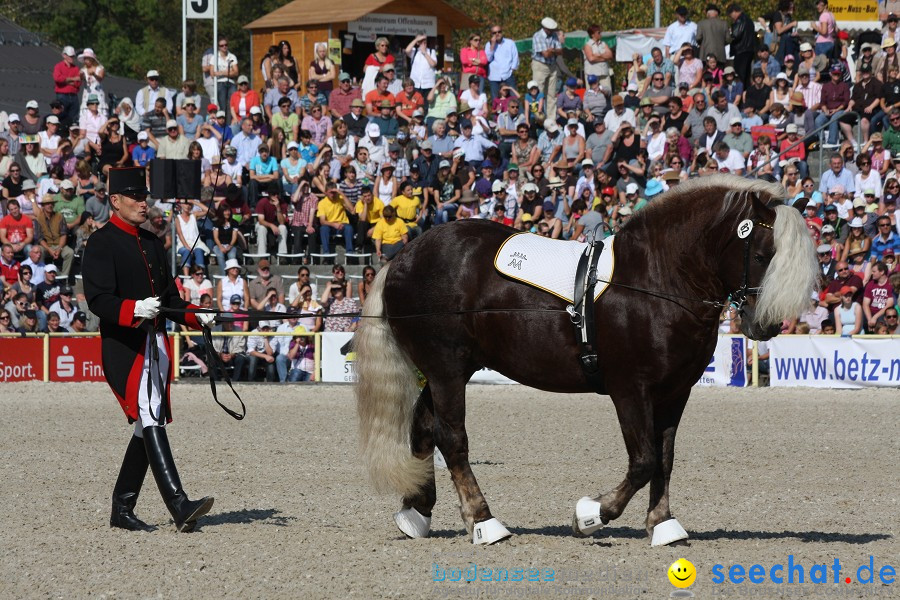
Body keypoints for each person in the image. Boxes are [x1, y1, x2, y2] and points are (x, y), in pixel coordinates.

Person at [83, 166, 214, 532]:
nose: (144, 203)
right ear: (115, 201)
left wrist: (197, 317)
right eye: (135, 197)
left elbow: (170, 298)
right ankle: (178, 503)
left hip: (156, 344)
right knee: (151, 416)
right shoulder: (101, 242)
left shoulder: (153, 242)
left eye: (144, 196)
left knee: (146, 425)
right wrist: (134, 309)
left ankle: (121, 509)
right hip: (126, 348)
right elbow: (98, 299)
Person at [532, 17, 564, 123]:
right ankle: (538, 118)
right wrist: (552, 51)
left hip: (552, 66)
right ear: (544, 28)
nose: (552, 31)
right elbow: (545, 54)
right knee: (538, 93)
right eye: (550, 29)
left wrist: (551, 50)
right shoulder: (537, 36)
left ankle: (551, 120)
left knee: (552, 95)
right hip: (540, 66)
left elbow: (560, 51)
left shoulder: (554, 35)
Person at [485, 25, 519, 100]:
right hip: (494, 76)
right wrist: (492, 46)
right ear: (491, 34)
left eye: (499, 32)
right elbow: (488, 59)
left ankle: (518, 112)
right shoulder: (488, 45)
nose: (497, 34)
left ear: (502, 32)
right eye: (494, 33)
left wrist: (512, 70)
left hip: (508, 75)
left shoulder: (510, 43)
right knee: (496, 100)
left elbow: (515, 57)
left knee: (513, 98)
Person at [728, 3, 755, 86]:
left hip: (741, 50)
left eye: (730, 15)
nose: (731, 18)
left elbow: (736, 35)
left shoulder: (740, 20)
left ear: (734, 12)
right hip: (749, 50)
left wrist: (729, 34)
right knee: (747, 74)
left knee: (740, 75)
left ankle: (740, 94)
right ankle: (745, 94)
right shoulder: (749, 20)